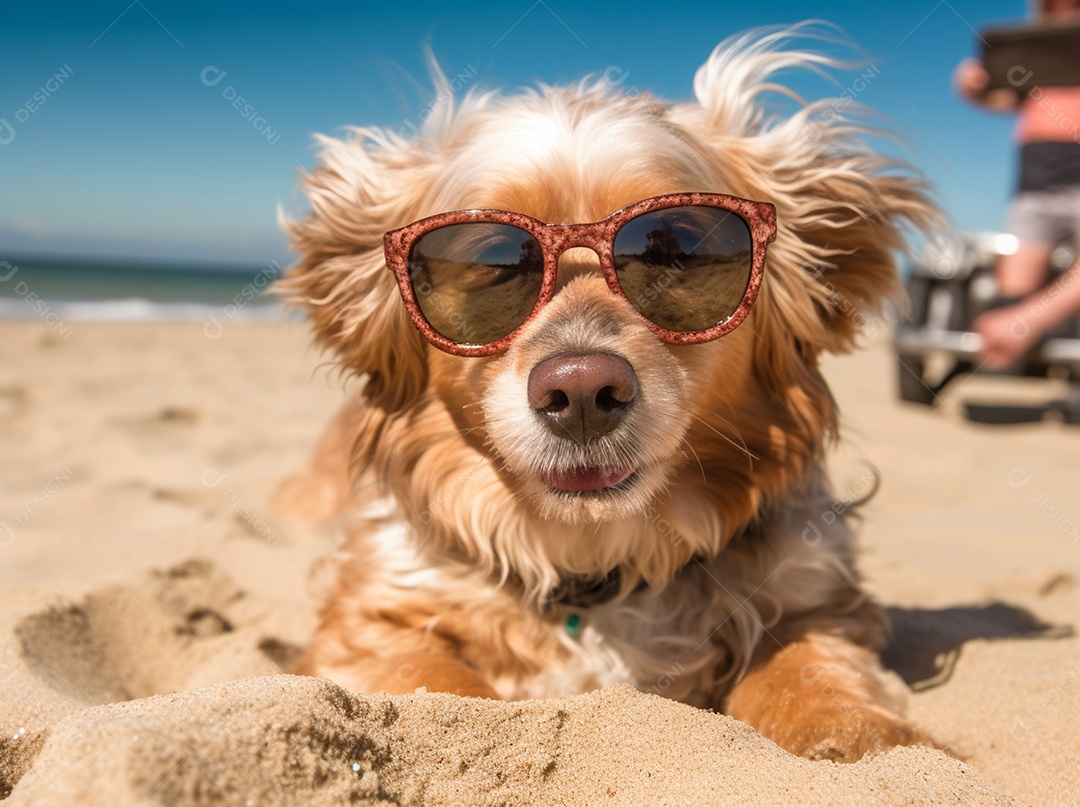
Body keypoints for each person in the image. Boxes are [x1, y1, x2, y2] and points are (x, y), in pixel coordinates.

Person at [954, 0, 1080, 370]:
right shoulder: (1034, 59)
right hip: (1036, 183)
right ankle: (1024, 352)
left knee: (1029, 307)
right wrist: (972, 86)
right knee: (1014, 285)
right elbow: (998, 97)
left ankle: (1027, 327)